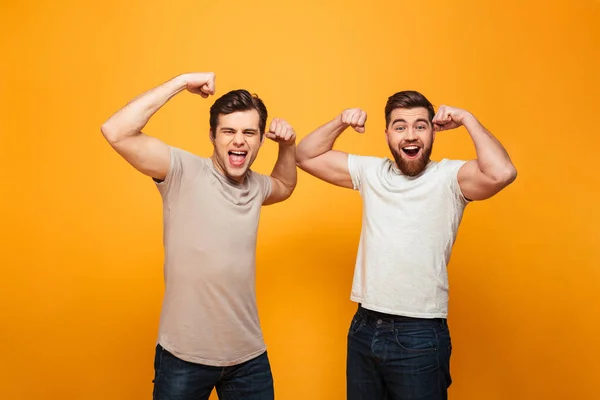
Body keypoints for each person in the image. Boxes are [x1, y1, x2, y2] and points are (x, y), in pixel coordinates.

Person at [295, 90, 517, 400]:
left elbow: (502, 172)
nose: (410, 135)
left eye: (420, 126)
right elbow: (304, 155)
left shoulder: (450, 177)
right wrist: (340, 121)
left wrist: (468, 119)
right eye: (400, 126)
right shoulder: (372, 172)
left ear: (433, 132)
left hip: (420, 333)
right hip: (364, 325)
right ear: (387, 133)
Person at [101, 72, 297, 400]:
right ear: (212, 135)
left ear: (261, 140)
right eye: (229, 131)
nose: (239, 140)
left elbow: (285, 185)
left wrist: (288, 146)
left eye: (249, 132)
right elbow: (116, 131)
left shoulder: (255, 187)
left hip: (248, 358)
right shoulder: (182, 171)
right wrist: (181, 82)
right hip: (183, 358)